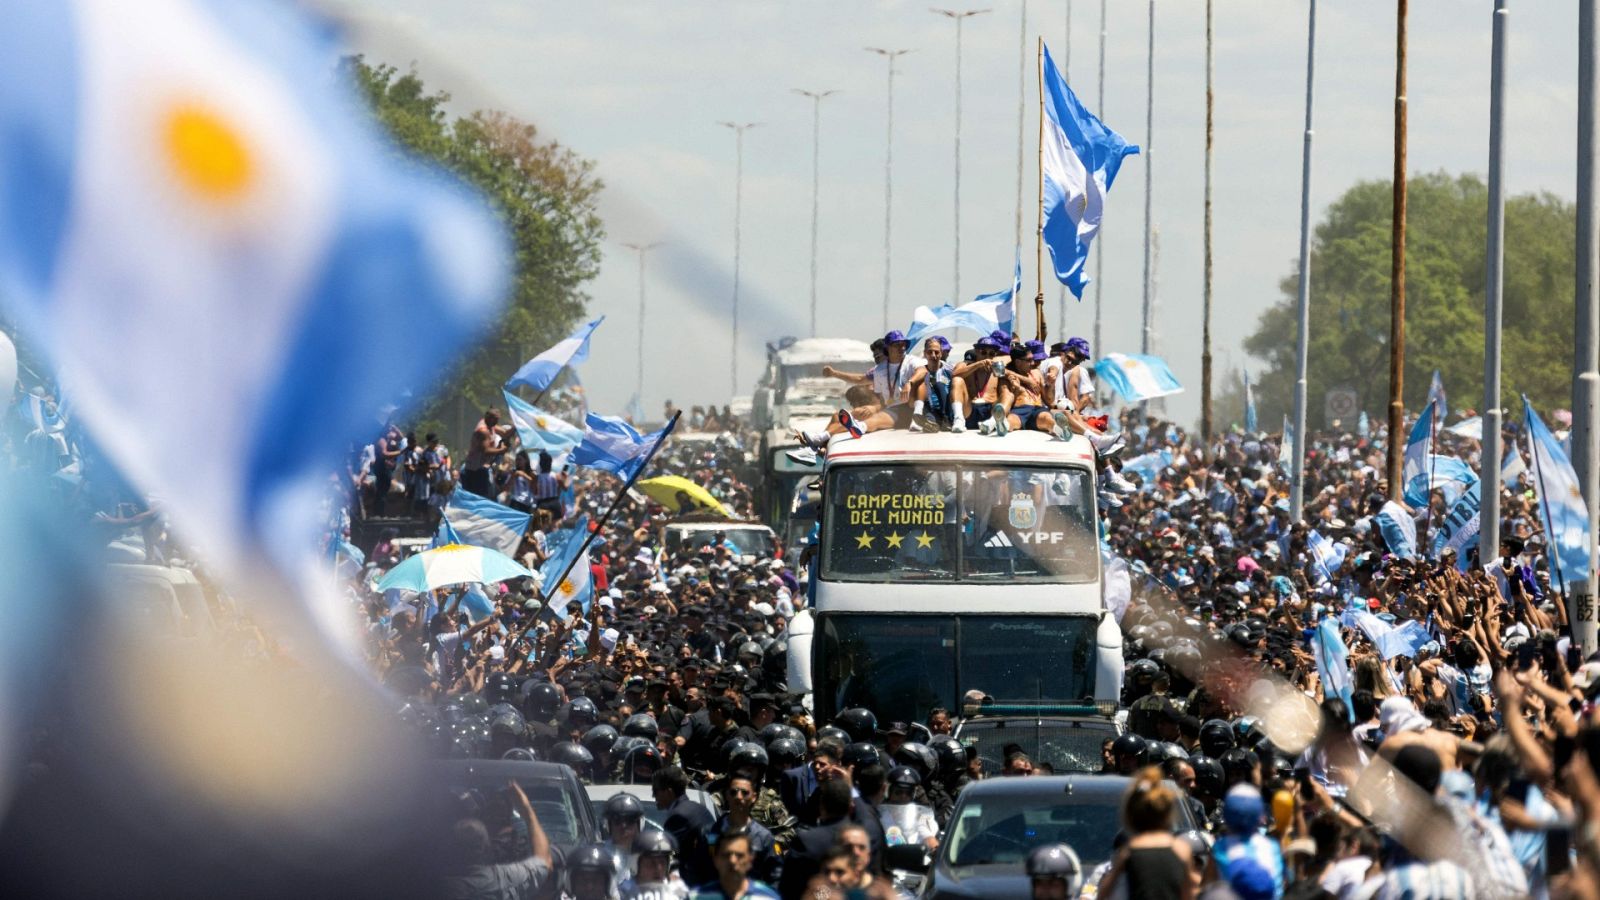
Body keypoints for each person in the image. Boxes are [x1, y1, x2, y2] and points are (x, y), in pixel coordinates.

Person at [1095, 766, 1194, 900]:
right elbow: (1189, 893)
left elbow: (1103, 893)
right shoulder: (1181, 849)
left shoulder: (1130, 850)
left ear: (1132, 815)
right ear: (1167, 814)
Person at [443, 780, 552, 900]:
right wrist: (527, 810)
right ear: (486, 846)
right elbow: (544, 863)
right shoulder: (503, 879)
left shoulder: (436, 886)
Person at [653, 766, 716, 888]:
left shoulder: (677, 816)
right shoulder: (699, 808)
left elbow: (664, 857)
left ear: (669, 792)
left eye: (656, 791)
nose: (653, 796)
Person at [689, 827, 780, 899]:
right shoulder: (696, 897)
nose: (732, 861)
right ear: (716, 860)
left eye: (739, 855)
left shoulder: (768, 897)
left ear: (750, 860)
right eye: (726, 855)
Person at [622, 828, 690, 899]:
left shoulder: (678, 890)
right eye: (651, 863)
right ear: (635, 865)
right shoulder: (622, 892)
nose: (659, 868)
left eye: (662, 862)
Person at [463, 408, 512, 498]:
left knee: (483, 496)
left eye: (497, 419)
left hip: (482, 468)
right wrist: (501, 450)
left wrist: (516, 426)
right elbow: (485, 451)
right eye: (495, 419)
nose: (496, 422)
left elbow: (505, 433)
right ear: (488, 417)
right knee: (477, 498)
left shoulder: (491, 425)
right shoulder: (483, 430)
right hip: (475, 470)